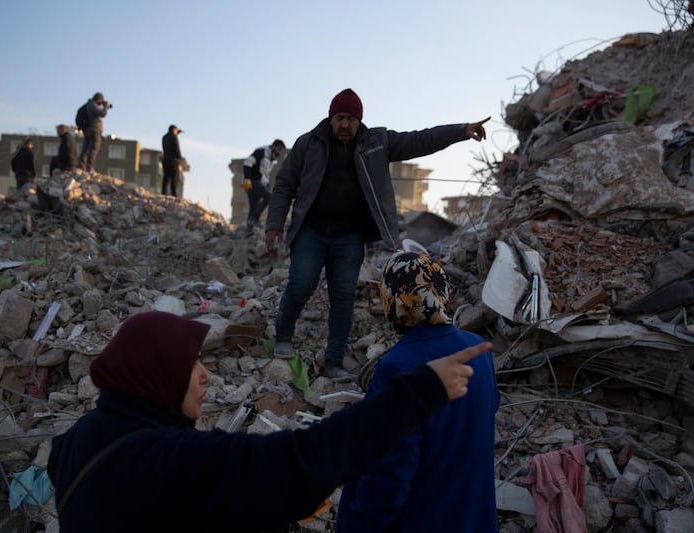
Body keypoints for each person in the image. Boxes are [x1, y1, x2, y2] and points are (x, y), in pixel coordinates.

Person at [47, 310, 490, 533]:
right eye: (192, 363)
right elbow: (297, 463)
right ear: (154, 373)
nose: (206, 375)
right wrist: (420, 393)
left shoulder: (78, 439)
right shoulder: (159, 458)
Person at [265, 88, 490, 381]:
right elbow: (284, 185)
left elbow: (419, 140)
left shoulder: (377, 142)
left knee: (344, 296)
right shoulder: (309, 144)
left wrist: (461, 130)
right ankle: (282, 335)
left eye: (351, 119)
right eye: (340, 118)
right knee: (301, 284)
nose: (345, 124)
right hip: (312, 231)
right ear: (331, 117)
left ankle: (333, 361)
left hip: (349, 236)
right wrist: (274, 225)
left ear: (360, 121)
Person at [335, 251, 500, 532]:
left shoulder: (398, 365)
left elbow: (387, 476)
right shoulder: (477, 350)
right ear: (441, 292)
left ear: (392, 299)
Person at [243, 139, 286, 236]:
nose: (279, 152)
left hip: (259, 183)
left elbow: (265, 175)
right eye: (278, 149)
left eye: (281, 151)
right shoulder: (261, 152)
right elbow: (248, 162)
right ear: (274, 146)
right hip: (253, 182)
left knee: (253, 206)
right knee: (270, 197)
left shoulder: (271, 159)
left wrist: (267, 186)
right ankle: (255, 218)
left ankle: (248, 233)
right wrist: (247, 179)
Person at [78, 92, 111, 172]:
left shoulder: (88, 105)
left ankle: (82, 166)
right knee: (93, 149)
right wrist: (106, 107)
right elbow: (103, 114)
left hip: (88, 130)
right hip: (95, 130)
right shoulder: (92, 105)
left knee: (85, 149)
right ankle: (90, 167)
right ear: (99, 99)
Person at [162, 124, 185, 197]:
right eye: (176, 130)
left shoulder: (164, 137)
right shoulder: (174, 137)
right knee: (174, 178)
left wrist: (177, 133)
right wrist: (180, 158)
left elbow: (167, 144)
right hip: (173, 161)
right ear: (174, 129)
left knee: (166, 177)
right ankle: (174, 194)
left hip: (165, 159)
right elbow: (176, 148)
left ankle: (163, 193)